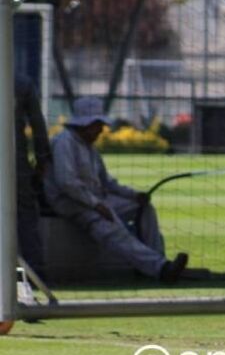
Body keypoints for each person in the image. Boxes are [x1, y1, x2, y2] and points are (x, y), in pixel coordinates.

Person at [43, 97, 188, 283]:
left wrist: (133, 195)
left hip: (93, 200)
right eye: (98, 125)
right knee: (111, 229)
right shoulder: (64, 142)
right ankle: (160, 268)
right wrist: (96, 205)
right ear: (87, 124)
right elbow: (67, 183)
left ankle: (158, 262)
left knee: (143, 208)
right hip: (71, 204)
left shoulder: (89, 147)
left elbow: (107, 182)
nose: (102, 130)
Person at [14, 74, 52, 277]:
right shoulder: (20, 82)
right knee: (26, 214)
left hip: (15, 161)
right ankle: (36, 272)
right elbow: (38, 125)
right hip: (14, 161)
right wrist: (42, 157)